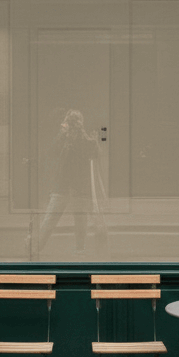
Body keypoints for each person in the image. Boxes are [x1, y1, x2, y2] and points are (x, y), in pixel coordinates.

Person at [28, 109, 102, 256]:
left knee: (54, 219)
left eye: (66, 123)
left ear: (70, 124)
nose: (64, 125)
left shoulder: (76, 140)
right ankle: (78, 249)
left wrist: (93, 141)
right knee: (75, 220)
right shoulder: (73, 140)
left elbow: (53, 152)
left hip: (67, 187)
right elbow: (95, 154)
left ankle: (36, 247)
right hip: (73, 188)